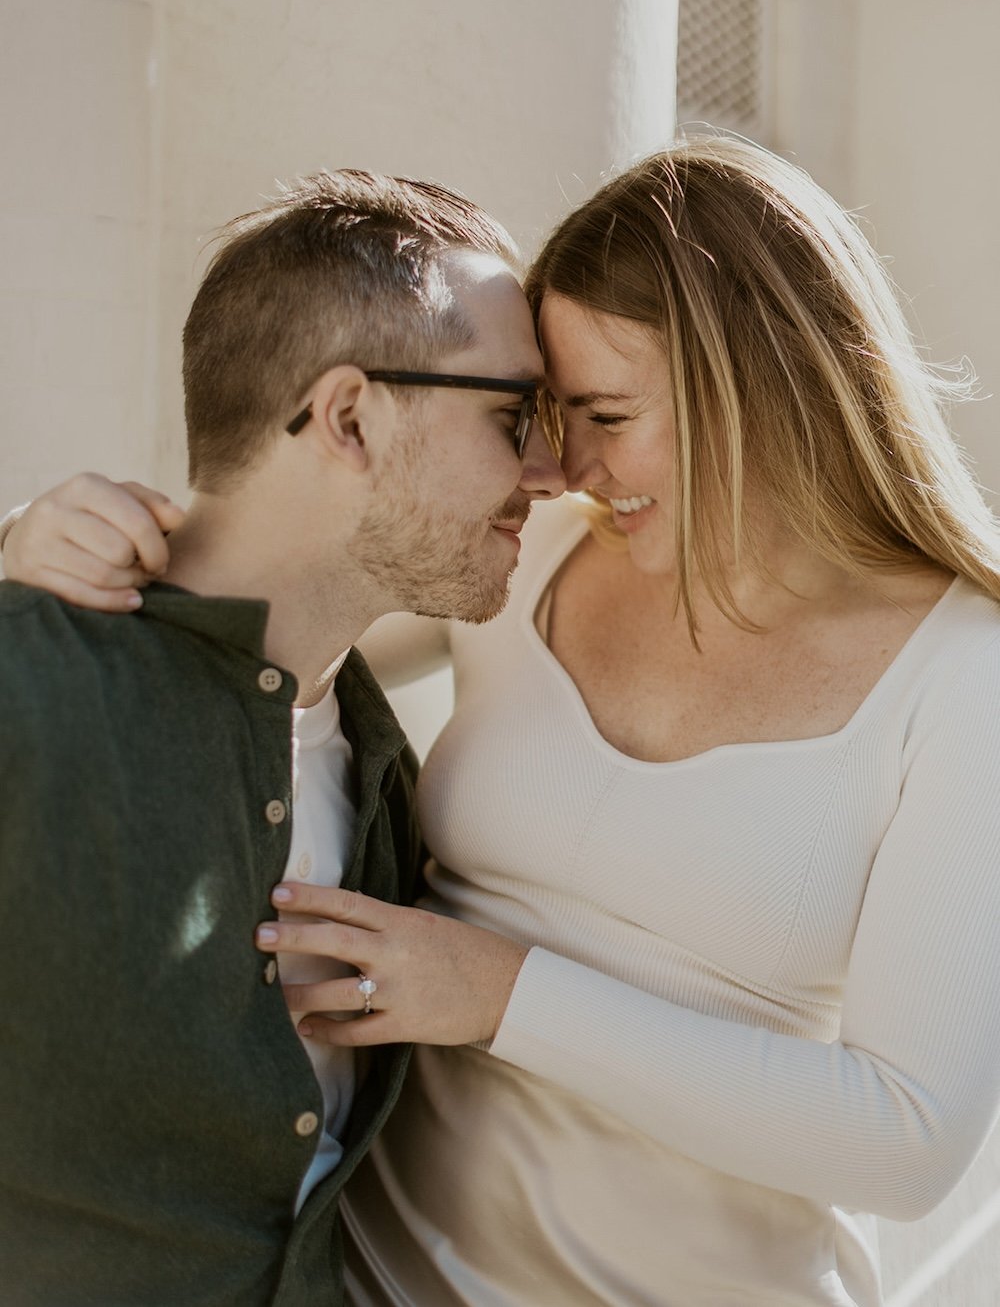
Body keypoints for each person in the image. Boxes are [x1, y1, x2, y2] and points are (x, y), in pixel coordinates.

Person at [6, 137, 1000, 1307]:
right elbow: (267, 607)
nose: (564, 467)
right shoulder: (537, 562)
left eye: (603, 413)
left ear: (761, 390)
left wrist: (501, 993)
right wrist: (46, 540)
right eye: (537, 414)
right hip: (379, 1282)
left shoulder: (962, 676)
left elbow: (905, 1141)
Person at [0, 169, 564, 1305]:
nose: (549, 474)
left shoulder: (384, 769)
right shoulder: (31, 693)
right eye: (514, 417)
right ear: (350, 417)